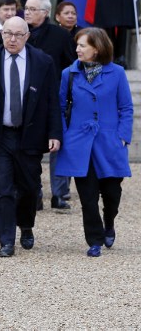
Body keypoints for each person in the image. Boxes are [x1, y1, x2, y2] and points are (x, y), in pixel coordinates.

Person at [0, 17, 62, 257]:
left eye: (18, 35)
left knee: (30, 188)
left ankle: (26, 225)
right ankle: (6, 239)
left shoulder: (42, 61)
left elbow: (52, 100)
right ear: (1, 33)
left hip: (30, 134)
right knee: (1, 189)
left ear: (27, 36)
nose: (12, 39)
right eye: (8, 33)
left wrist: (54, 133)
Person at [54, 28, 133, 257]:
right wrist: (66, 135)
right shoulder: (68, 74)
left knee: (112, 194)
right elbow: (60, 107)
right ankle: (95, 239)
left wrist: (122, 137)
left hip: (109, 142)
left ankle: (109, 222)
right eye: (77, 45)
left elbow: (126, 108)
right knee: (87, 197)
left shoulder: (117, 73)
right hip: (79, 143)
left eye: (82, 45)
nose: (77, 49)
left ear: (96, 49)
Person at [24, 0, 77, 210]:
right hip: (26, 101)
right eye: (26, 8)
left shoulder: (59, 35)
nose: (27, 12)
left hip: (54, 99)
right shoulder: (20, 33)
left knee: (58, 147)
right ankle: (34, 193)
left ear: (45, 13)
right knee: (31, 149)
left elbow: (71, 66)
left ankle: (59, 193)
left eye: (32, 9)